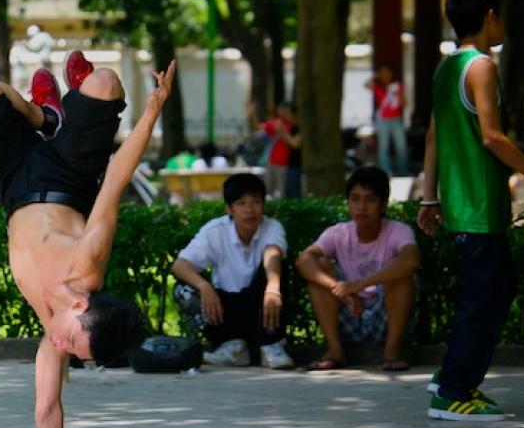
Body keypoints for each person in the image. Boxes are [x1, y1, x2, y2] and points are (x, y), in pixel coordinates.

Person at [0, 51, 175, 428]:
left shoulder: (51, 326)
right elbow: (115, 178)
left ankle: (43, 113)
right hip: (68, 173)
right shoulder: (87, 263)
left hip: (13, 180)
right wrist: (153, 109)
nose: (60, 346)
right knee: (107, 83)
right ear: (81, 305)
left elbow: (47, 406)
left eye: (70, 351)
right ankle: (48, 116)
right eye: (71, 341)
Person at [418, 0, 524, 422]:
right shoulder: (481, 66)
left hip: (464, 206)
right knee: (488, 294)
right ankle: (454, 390)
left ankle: (452, 374)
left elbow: (431, 137)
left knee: (489, 291)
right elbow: (492, 136)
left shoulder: (446, 69)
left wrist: (429, 196)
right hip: (478, 206)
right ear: (489, 16)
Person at [296, 167, 420, 371]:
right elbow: (303, 260)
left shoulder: (398, 231)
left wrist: (358, 285)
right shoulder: (338, 233)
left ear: (383, 204)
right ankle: (335, 351)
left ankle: (392, 351)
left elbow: (411, 262)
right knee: (319, 266)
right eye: (355, 199)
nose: (361, 206)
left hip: (386, 317)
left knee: (401, 273)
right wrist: (343, 291)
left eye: (370, 199)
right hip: (351, 314)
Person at [172, 173, 294, 369]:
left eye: (255, 202)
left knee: (277, 272)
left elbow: (273, 253)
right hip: (224, 307)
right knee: (183, 290)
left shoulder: (272, 227)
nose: (249, 210)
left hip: (260, 303)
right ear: (229, 208)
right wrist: (204, 286)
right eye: (241, 203)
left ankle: (271, 346)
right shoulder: (215, 231)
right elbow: (180, 265)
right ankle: (233, 347)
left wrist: (272, 287)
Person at [366, 65, 408, 176]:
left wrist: (398, 97)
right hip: (382, 120)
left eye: (387, 72)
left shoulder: (397, 86)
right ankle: (386, 171)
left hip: (395, 118)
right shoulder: (378, 87)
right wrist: (376, 76)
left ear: (391, 73)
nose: (385, 75)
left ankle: (402, 171)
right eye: (382, 73)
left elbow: (404, 103)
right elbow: (366, 84)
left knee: (401, 145)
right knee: (383, 146)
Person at [248, 101, 294, 199]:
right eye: (280, 110)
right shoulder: (276, 122)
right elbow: (258, 127)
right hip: (272, 161)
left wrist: (281, 130)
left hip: (285, 163)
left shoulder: (293, 125)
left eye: (284, 110)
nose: (282, 112)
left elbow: (292, 143)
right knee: (267, 189)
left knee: (282, 190)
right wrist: (252, 113)